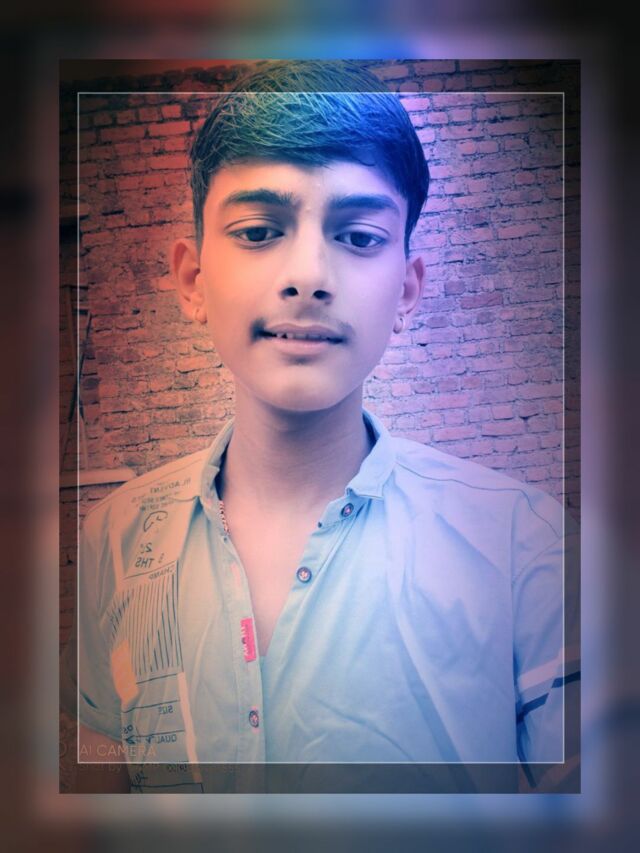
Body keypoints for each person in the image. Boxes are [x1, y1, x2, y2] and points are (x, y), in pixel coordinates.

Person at [61, 61, 578, 793]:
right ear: (192, 280)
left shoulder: (530, 547)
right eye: (257, 230)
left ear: (407, 288)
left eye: (359, 236)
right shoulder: (112, 542)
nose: (308, 275)